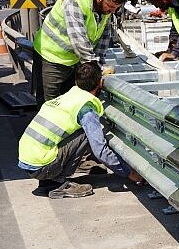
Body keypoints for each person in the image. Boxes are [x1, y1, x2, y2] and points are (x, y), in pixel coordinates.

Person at [18, 61, 142, 199]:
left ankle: (47, 182)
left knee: (79, 133)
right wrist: (129, 173)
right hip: (41, 166)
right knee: (85, 134)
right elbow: (100, 151)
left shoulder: (70, 96)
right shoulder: (86, 109)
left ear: (77, 82)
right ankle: (59, 183)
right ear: (100, 83)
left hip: (29, 161)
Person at [33, 0, 126, 105]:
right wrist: (95, 68)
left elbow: (103, 37)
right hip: (50, 56)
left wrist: (99, 65)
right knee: (49, 104)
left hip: (74, 60)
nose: (112, 11)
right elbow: (79, 39)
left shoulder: (105, 5)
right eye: (110, 7)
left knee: (70, 103)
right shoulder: (75, 0)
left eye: (116, 8)